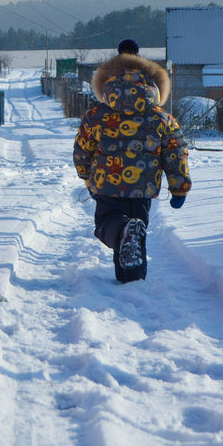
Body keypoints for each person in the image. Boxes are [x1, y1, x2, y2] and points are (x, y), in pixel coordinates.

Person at [72, 51, 190, 283]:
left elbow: (83, 149)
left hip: (107, 185)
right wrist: (179, 187)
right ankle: (132, 281)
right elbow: (176, 153)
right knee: (135, 236)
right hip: (142, 188)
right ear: (154, 86)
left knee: (109, 226)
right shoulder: (162, 118)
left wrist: (85, 174)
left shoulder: (96, 116)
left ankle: (125, 230)